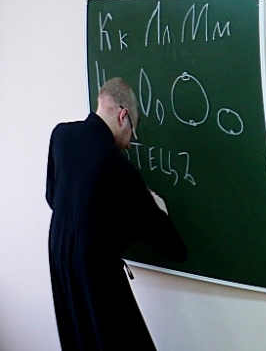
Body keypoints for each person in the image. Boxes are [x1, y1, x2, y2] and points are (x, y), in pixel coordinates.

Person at [47, 77, 186, 350]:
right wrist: (155, 208)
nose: (130, 143)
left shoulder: (61, 135)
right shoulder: (119, 169)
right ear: (123, 116)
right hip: (95, 273)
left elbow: (52, 197)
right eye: (132, 130)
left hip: (60, 255)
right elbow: (175, 249)